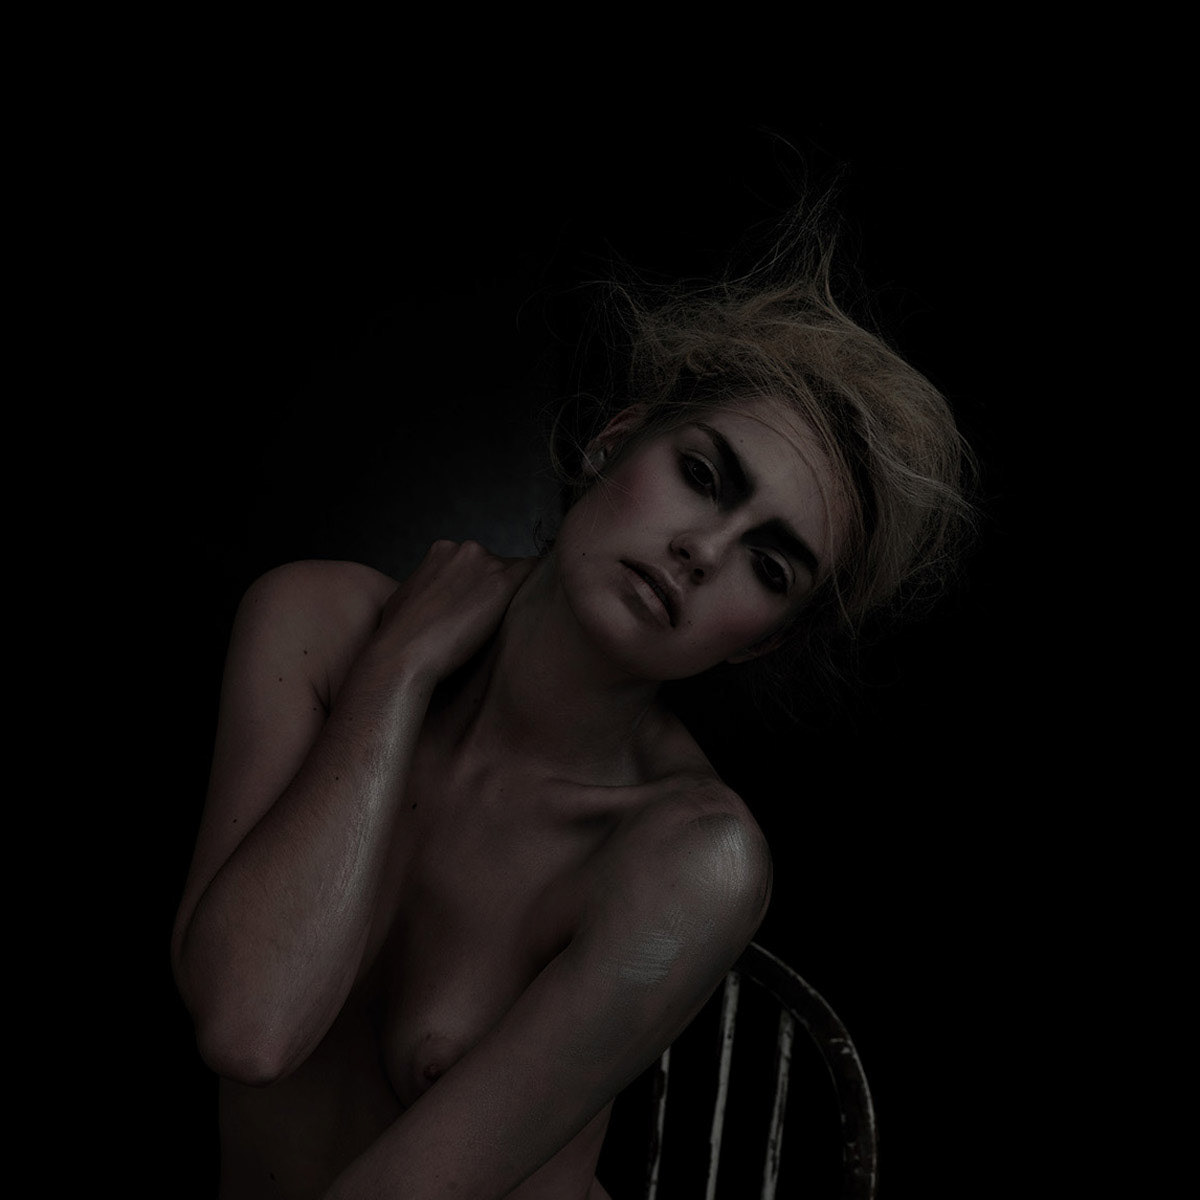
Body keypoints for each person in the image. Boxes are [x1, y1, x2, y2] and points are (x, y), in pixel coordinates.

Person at [170, 225, 974, 1199]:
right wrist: (394, 676)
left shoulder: (691, 856)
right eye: (703, 476)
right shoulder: (316, 627)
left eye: (768, 566)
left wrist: (399, 667)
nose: (703, 550)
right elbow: (250, 1026)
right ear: (612, 440)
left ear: (759, 641)